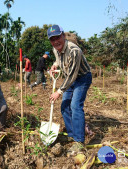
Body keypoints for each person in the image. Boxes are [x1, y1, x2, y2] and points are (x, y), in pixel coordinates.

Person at [47, 25, 92, 154]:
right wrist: (54, 66)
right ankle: (72, 133)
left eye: (57, 37)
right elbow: (58, 60)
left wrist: (59, 92)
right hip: (69, 78)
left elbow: (73, 75)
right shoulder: (56, 49)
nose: (55, 41)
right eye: (52, 39)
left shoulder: (74, 50)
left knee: (75, 106)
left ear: (63, 36)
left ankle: (79, 141)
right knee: (64, 106)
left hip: (82, 78)